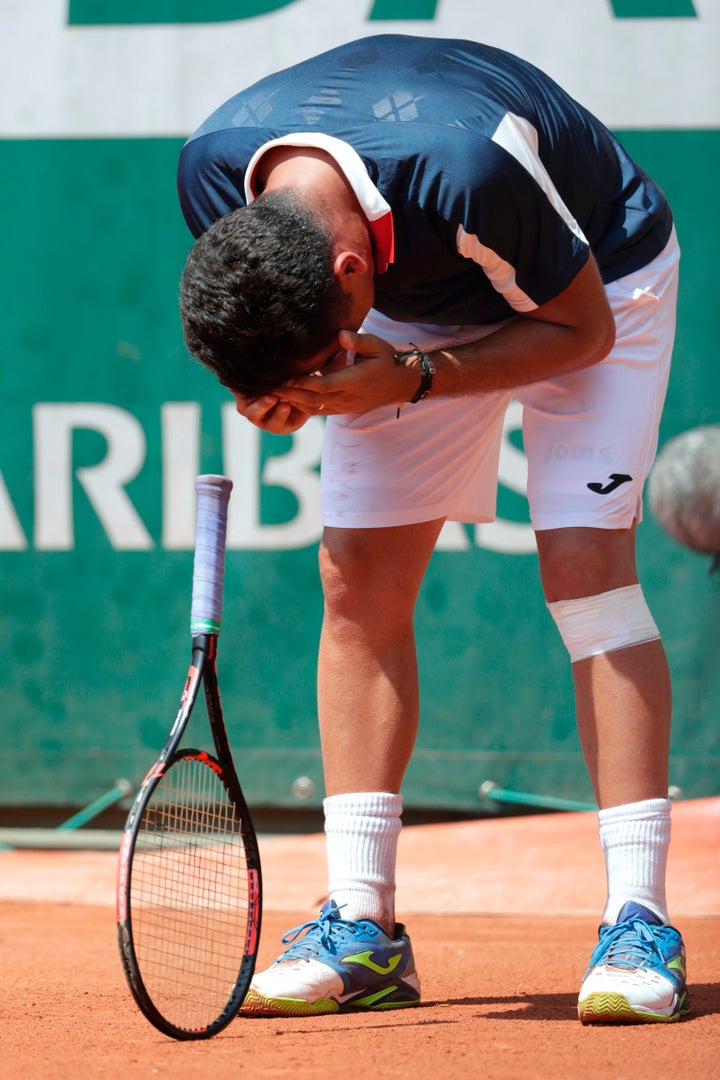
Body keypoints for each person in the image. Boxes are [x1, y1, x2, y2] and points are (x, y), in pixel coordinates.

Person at [177, 34, 688, 1024]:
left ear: (349, 266)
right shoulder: (215, 176)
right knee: (358, 581)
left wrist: (405, 373)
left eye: (328, 352)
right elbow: (262, 326)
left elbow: (581, 333)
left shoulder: (469, 161)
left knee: (585, 570)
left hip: (595, 284)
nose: (331, 368)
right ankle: (361, 927)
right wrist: (282, 392)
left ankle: (638, 917)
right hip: (405, 305)